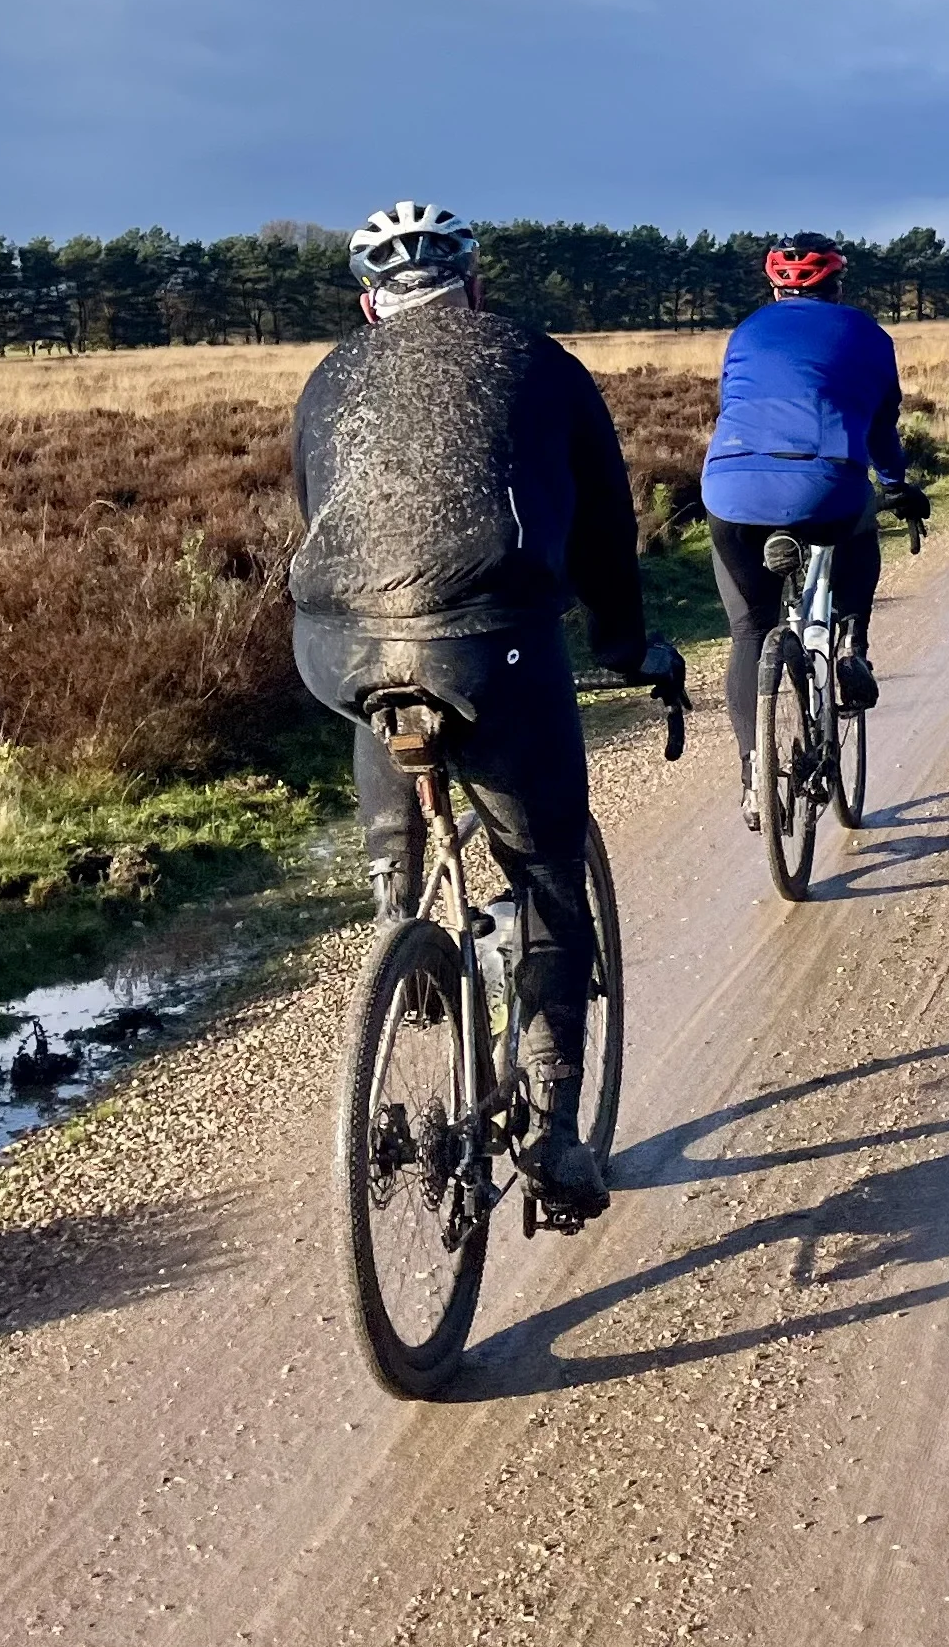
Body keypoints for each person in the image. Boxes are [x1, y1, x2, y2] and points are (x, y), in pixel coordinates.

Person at [288, 201, 682, 1223]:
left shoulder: (329, 377)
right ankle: (554, 1137)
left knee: (389, 695)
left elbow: (321, 513)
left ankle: (396, 906)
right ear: (472, 284)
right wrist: (623, 645)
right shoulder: (537, 359)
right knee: (549, 869)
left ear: (369, 304)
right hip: (493, 642)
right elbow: (604, 520)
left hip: (338, 646)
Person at [701, 233, 929, 822]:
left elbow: (735, 401)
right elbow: (881, 428)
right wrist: (898, 486)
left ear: (773, 286)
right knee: (857, 525)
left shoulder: (746, 331)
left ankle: (755, 776)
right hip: (824, 485)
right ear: (838, 284)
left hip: (731, 486)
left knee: (749, 632)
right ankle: (851, 643)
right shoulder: (867, 334)